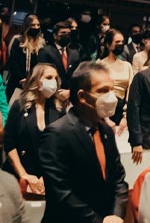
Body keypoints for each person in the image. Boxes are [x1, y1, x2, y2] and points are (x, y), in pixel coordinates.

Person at [37, 62, 128, 223]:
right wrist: (98, 221)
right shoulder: (57, 134)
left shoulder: (106, 130)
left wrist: (116, 214)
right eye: (103, 91)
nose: (111, 96)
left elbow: (118, 179)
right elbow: (62, 192)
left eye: (111, 89)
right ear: (82, 96)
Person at [6, 63, 66, 197]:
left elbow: (63, 147)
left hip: (49, 177)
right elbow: (9, 142)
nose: (54, 82)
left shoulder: (59, 108)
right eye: (49, 77)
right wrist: (24, 174)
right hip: (20, 173)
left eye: (56, 78)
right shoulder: (19, 105)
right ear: (37, 81)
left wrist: (48, 176)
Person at [98, 28, 135, 124]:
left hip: (121, 108)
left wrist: (126, 114)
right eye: (117, 42)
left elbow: (130, 89)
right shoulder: (100, 64)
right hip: (103, 109)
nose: (120, 44)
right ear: (108, 44)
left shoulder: (127, 65)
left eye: (122, 42)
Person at [5, 14, 46, 100]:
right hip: (17, 81)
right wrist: (22, 79)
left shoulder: (41, 43)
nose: (36, 27)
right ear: (27, 26)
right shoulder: (18, 40)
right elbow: (13, 61)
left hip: (34, 83)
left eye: (38, 25)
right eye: (33, 25)